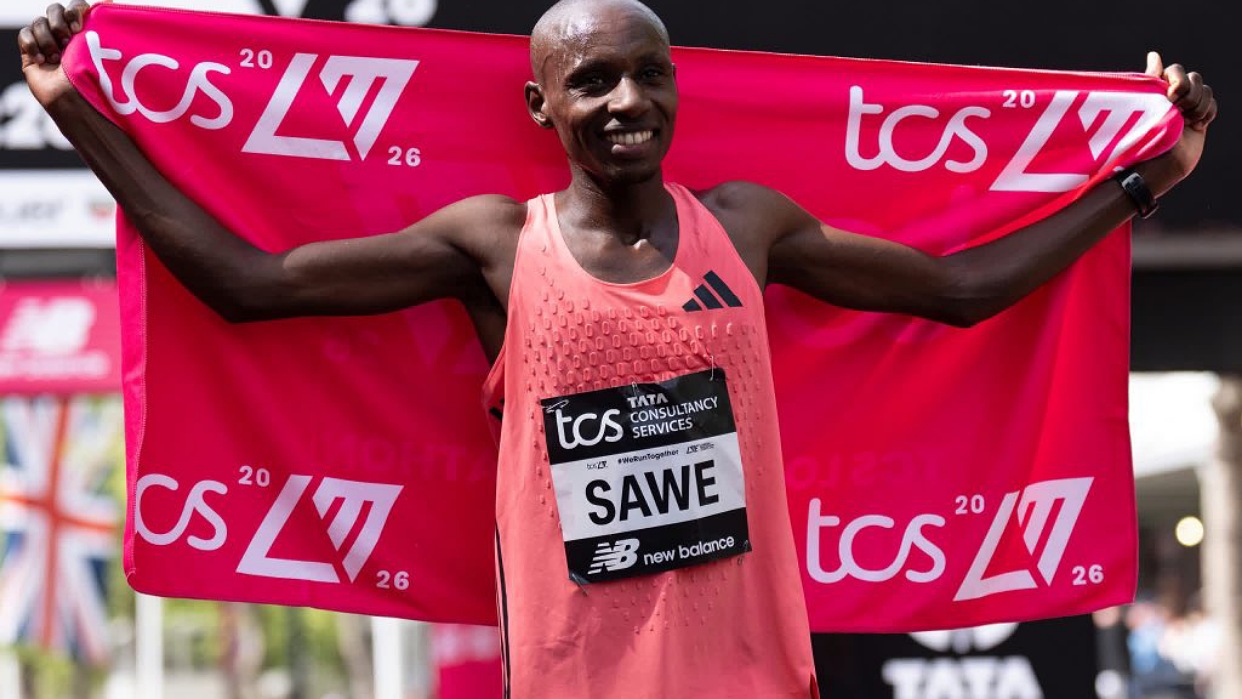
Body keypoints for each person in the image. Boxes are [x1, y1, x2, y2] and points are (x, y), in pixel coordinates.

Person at [17, 0, 1218, 697]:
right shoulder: (496, 245)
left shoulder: (747, 226)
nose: (627, 100)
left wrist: (1143, 182)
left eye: (649, 73)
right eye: (591, 82)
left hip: (750, 672)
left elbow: (960, 291)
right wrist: (79, 113)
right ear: (541, 106)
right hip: (573, 676)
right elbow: (246, 284)